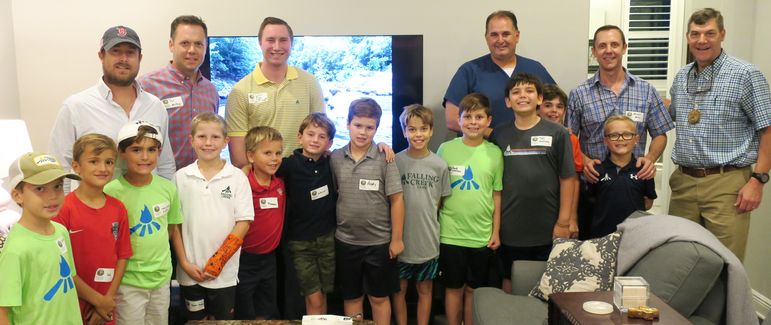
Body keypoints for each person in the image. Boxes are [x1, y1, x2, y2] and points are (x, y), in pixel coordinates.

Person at [668, 8, 771, 261]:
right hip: (683, 183)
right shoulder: (682, 77)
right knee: (678, 260)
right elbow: (671, 113)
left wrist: (758, 180)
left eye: (709, 33)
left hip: (727, 185)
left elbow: (767, 128)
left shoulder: (746, 74)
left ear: (722, 34)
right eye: (695, 34)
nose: (702, 40)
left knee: (724, 264)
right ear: (687, 37)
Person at [49, 25, 175, 192]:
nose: (123, 58)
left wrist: (167, 201)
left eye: (130, 52)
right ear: (101, 55)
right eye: (116, 51)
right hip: (96, 213)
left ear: (140, 57)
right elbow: (59, 168)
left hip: (149, 212)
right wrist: (64, 214)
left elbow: (165, 164)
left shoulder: (155, 106)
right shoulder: (76, 107)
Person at [490, 73, 576, 294]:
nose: (523, 96)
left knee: (547, 283)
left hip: (548, 226)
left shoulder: (557, 133)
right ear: (508, 101)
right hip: (510, 227)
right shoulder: (499, 134)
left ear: (539, 99)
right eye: (516, 92)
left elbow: (568, 178)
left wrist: (564, 221)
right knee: (509, 279)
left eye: (529, 91)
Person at [171, 112, 254, 320]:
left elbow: (243, 222)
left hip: (223, 275)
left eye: (215, 137)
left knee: (223, 321)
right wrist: (184, 263)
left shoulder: (237, 177)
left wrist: (219, 261)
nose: (208, 143)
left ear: (226, 141)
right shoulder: (181, 177)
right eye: (201, 137)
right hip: (190, 273)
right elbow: (175, 226)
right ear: (191, 140)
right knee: (194, 321)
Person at [566, 25, 673, 184]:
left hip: (634, 182)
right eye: (602, 46)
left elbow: (660, 134)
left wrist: (649, 159)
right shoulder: (579, 94)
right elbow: (568, 138)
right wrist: (585, 161)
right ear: (594, 52)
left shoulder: (647, 90)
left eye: (614, 45)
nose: (609, 50)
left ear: (624, 48)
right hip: (593, 183)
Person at [330, 98, 404, 325]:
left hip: (379, 243)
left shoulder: (385, 158)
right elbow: (335, 192)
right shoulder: (335, 158)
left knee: (379, 298)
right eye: (358, 125)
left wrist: (397, 239)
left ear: (377, 128)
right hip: (346, 242)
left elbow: (397, 199)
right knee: (352, 297)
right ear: (348, 124)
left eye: (369, 127)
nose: (363, 132)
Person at [104, 121, 183, 324]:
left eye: (151, 150)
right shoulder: (111, 192)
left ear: (159, 151)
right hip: (128, 281)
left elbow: (170, 228)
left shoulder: (168, 189)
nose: (145, 157)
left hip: (161, 277)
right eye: (136, 150)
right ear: (121, 152)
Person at [437, 93, 503, 325]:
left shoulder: (495, 153)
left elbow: (496, 194)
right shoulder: (445, 149)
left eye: (479, 117)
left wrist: (495, 232)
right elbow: (437, 193)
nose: (473, 122)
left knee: (473, 290)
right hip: (450, 233)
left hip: (481, 235)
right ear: (459, 119)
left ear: (488, 120)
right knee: (453, 289)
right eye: (468, 117)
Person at [53, 134, 132, 325]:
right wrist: (98, 301)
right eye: (94, 162)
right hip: (73, 302)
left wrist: (107, 301)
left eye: (109, 162)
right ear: (77, 166)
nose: (103, 168)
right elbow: (61, 264)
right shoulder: (63, 210)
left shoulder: (118, 208)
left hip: (108, 303)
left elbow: (123, 256)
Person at [226, 17, 324, 167]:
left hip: (303, 175)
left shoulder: (310, 83)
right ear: (260, 43)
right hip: (261, 181)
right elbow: (239, 158)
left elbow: (321, 134)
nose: (277, 46)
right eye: (270, 40)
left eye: (283, 40)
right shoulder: (240, 91)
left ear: (291, 44)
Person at [0, 152, 82, 325]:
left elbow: (68, 282)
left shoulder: (61, 231)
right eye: (40, 188)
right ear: (17, 195)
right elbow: (2, 312)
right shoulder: (16, 250)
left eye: (58, 186)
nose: (52, 196)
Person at [444, 10, 555, 134]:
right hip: (482, 149)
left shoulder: (535, 69)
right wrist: (494, 136)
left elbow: (555, 109)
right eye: (494, 35)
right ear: (486, 38)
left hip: (530, 148)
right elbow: (452, 119)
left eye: (506, 34)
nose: (500, 40)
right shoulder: (469, 71)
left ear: (517, 36)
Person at [392, 104, 451, 325]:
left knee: (425, 289)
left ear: (431, 131)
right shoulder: (395, 162)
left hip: (428, 241)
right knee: (399, 290)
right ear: (404, 131)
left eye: (423, 129)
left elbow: (439, 202)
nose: (418, 134)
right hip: (401, 241)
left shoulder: (440, 165)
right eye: (412, 129)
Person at [139, 15, 219, 171]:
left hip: (202, 182)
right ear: (171, 45)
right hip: (161, 181)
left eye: (198, 44)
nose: (192, 50)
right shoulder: (147, 86)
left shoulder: (210, 91)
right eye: (185, 43)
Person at [278, 113, 338, 315]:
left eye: (322, 136)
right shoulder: (287, 165)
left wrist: (383, 145)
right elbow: (259, 168)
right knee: (313, 296)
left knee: (323, 293)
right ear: (299, 136)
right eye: (310, 134)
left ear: (329, 143)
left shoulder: (331, 163)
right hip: (300, 242)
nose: (315, 140)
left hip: (328, 239)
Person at [234, 126, 285, 320]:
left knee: (267, 310)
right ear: (251, 156)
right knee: (245, 312)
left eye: (278, 153)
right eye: (267, 153)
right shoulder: (242, 183)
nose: (274, 158)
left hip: (270, 260)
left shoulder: (280, 184)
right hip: (244, 261)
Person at [588, 115, 656, 238]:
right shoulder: (596, 171)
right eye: (613, 135)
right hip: (601, 236)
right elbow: (592, 201)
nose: (621, 139)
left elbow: (648, 203)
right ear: (605, 140)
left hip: (635, 235)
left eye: (627, 134)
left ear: (636, 139)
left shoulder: (644, 171)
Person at [537, 84, 583, 238]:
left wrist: (572, 217)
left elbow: (574, 180)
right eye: (548, 105)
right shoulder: (524, 136)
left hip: (560, 208)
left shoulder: (571, 139)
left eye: (559, 106)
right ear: (538, 107)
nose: (554, 111)